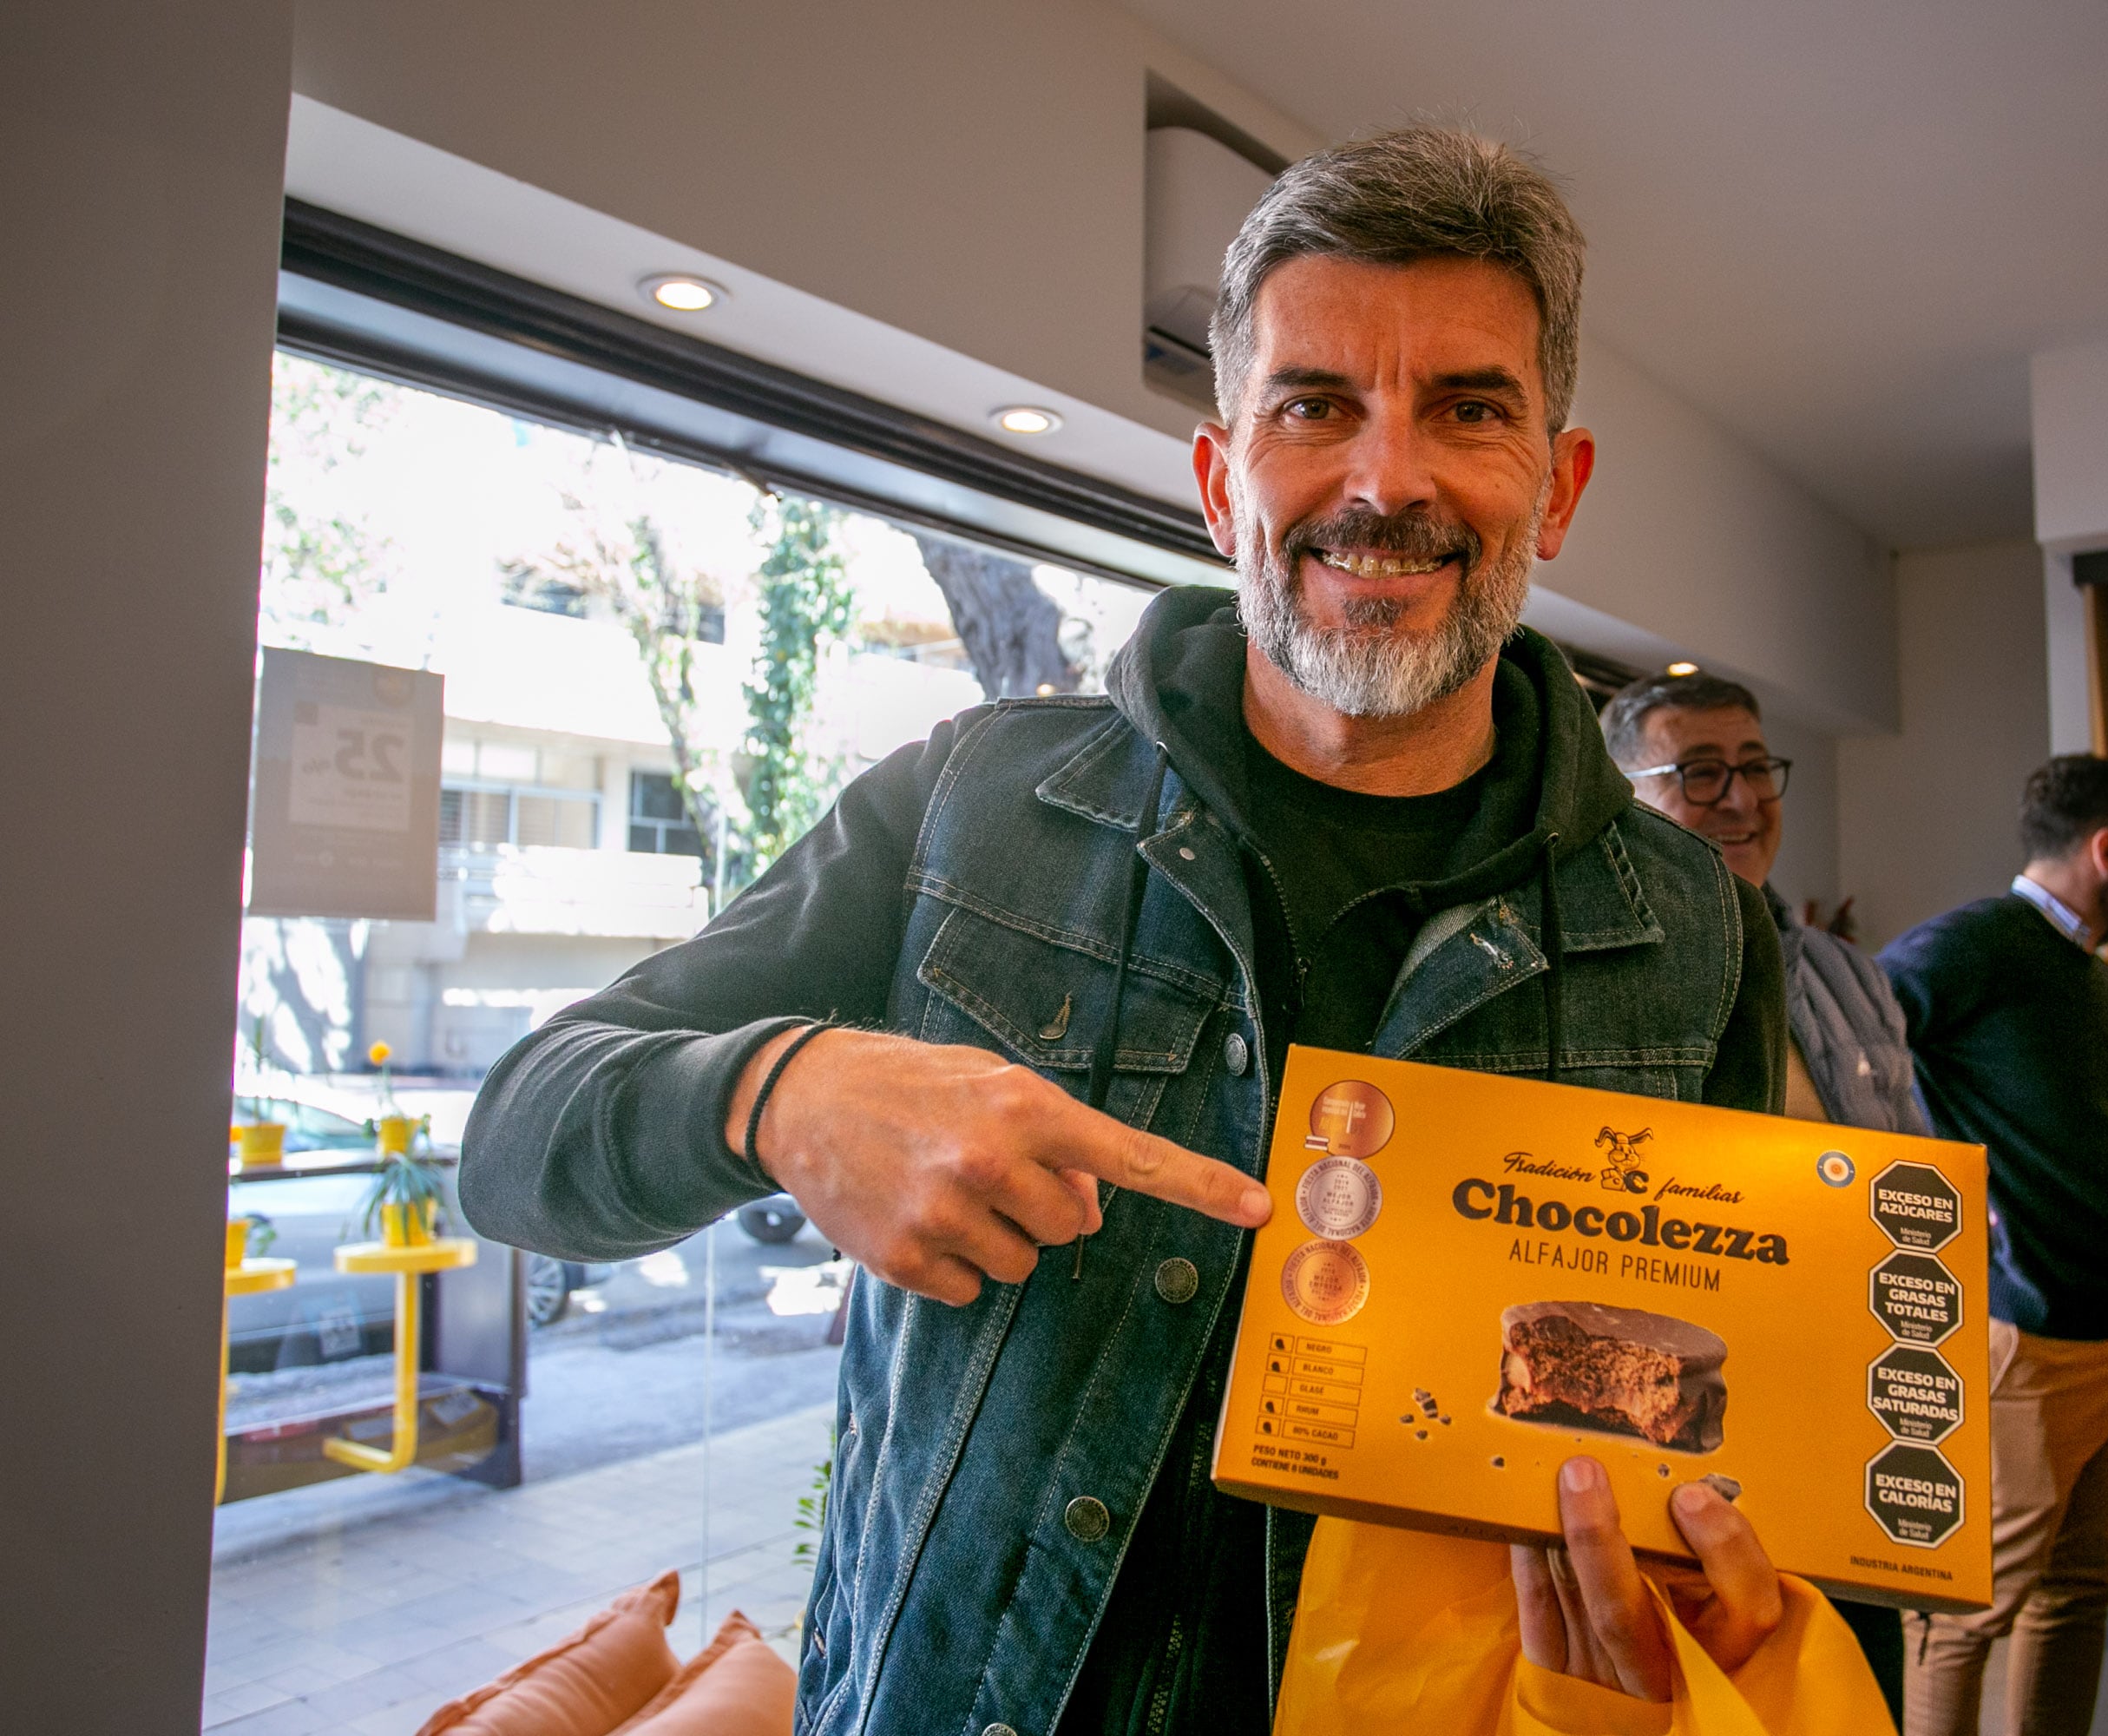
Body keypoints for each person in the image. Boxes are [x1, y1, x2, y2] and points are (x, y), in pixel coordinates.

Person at [460, 128, 1812, 1736]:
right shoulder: (962, 808)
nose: (1387, 483)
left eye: (1468, 408)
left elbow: (1740, 1453)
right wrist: (783, 1091)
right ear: (1223, 476)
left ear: (1558, 487)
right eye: (1315, 407)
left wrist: (1708, 1609)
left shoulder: (1702, 942)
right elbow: (516, 1139)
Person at [1603, 666, 1927, 1725]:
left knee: (1855, 1687)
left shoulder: (1846, 971)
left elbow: (1911, 1172)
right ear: (1621, 795)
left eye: (1754, 767)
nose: (1741, 798)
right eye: (1699, 771)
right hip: (1673, 1442)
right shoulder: (1597, 982)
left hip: (1844, 1419)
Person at [1877, 754, 2108, 1736]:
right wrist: (1934, 1192)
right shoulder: (1978, 942)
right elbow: (1859, 1041)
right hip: (2031, 1342)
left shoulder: (2089, 971)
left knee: (2078, 1593)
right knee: (1961, 1613)